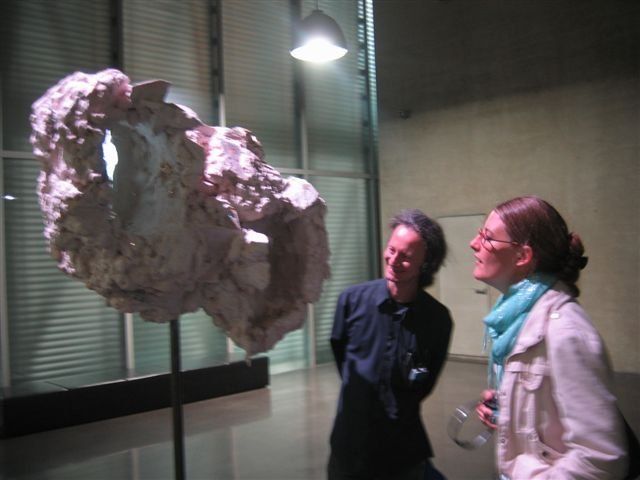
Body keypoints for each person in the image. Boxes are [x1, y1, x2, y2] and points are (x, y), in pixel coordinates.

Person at [471, 196, 628, 479]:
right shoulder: (519, 318)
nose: (474, 243)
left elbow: (601, 460)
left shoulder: (565, 332)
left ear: (522, 256)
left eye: (488, 238)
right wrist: (510, 412)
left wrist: (529, 474)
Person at [328, 209, 453, 480]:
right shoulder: (351, 301)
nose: (394, 260)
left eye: (405, 256)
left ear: (425, 264)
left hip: (402, 452)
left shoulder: (437, 319)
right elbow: (343, 360)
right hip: (349, 448)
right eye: (391, 249)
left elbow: (425, 384)